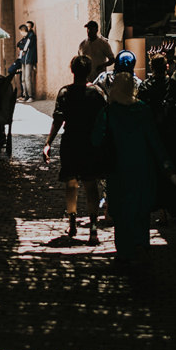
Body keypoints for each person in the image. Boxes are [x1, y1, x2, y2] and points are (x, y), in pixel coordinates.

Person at [92, 72, 172, 265]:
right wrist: (166, 163)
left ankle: (124, 250)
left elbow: (95, 139)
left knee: (120, 211)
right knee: (141, 208)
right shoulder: (143, 110)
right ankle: (141, 243)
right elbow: (154, 140)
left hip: (117, 169)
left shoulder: (108, 112)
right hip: (142, 167)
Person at [43, 55, 108, 244]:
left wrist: (48, 143)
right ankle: (93, 227)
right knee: (90, 185)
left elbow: (58, 120)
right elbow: (104, 119)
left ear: (72, 70)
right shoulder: (97, 92)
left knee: (71, 184)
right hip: (90, 144)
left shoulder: (65, 93)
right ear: (89, 71)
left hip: (71, 142)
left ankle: (72, 222)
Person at [138, 55, 176, 173]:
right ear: (166, 67)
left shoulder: (144, 87)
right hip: (173, 132)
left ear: (151, 67)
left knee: (154, 167)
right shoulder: (175, 86)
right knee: (174, 165)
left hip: (152, 132)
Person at [10, 23, 37, 101]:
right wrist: (21, 46)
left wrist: (21, 46)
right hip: (23, 60)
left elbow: (25, 47)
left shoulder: (31, 36)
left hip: (28, 59)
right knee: (23, 78)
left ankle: (31, 96)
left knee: (27, 78)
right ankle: (25, 95)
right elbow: (18, 44)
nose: (20, 33)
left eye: (20, 32)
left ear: (23, 31)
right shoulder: (25, 38)